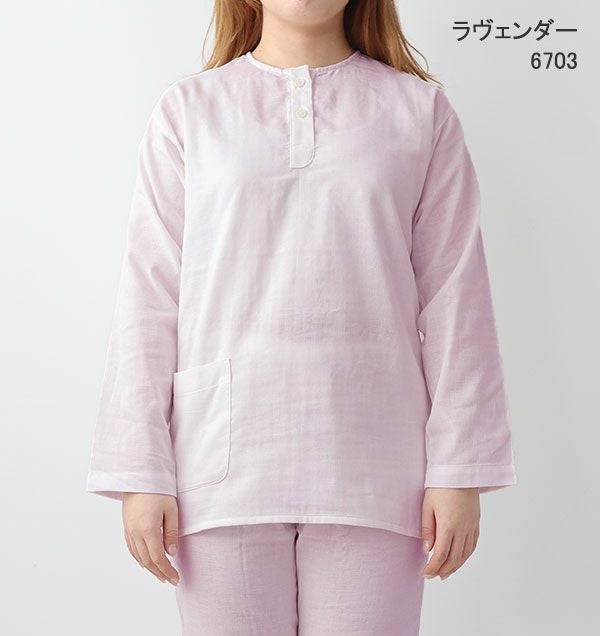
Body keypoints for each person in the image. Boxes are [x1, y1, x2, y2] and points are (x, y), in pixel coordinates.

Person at [86, 1, 517, 633]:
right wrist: (139, 467)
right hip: (219, 465)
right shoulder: (189, 111)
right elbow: (150, 295)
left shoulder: (419, 112)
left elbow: (458, 297)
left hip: (377, 466)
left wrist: (460, 469)